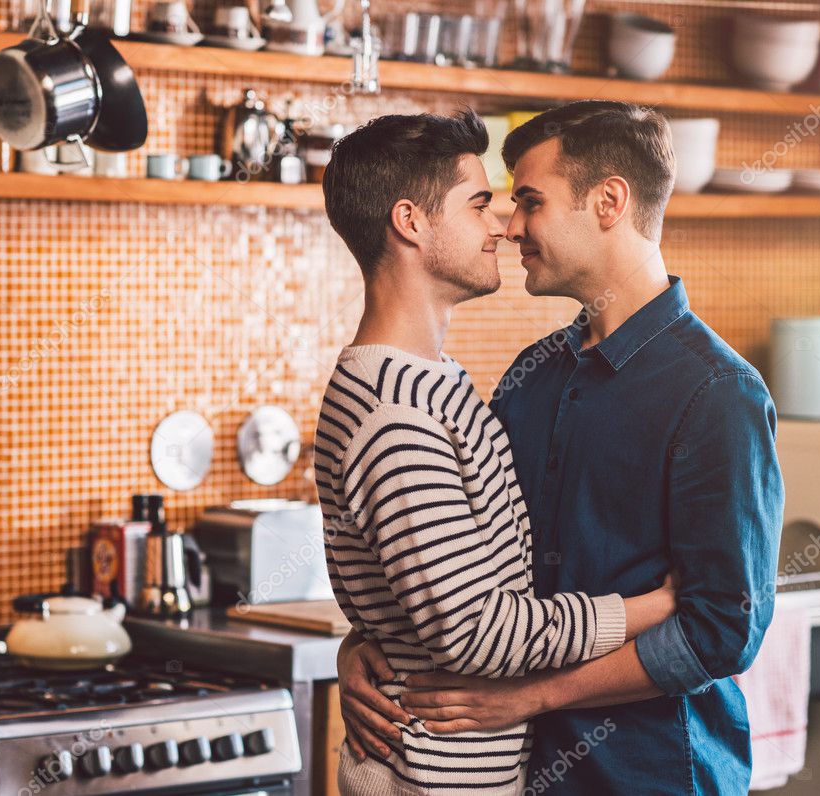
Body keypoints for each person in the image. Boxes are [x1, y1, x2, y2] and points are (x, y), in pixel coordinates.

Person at [337, 101, 786, 795]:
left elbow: (723, 627)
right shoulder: (532, 375)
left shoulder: (717, 391)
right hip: (516, 769)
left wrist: (534, 697)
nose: (511, 227)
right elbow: (458, 571)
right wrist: (370, 647)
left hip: (652, 773)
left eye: (529, 202)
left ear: (609, 202)